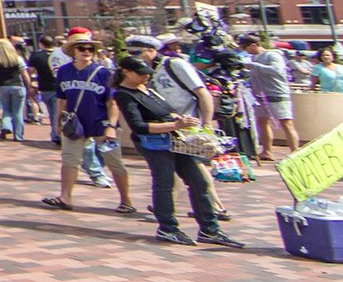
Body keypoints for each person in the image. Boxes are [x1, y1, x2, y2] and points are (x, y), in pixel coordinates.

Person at [111, 54, 243, 248]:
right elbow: (138, 126)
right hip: (154, 143)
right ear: (126, 72)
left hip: (176, 140)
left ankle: (209, 229)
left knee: (198, 182)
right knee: (164, 183)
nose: (145, 77)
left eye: (147, 73)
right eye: (140, 74)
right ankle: (168, 228)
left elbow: (166, 111)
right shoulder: (124, 94)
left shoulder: (147, 90)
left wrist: (184, 123)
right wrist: (174, 124)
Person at [131, 33, 228, 222]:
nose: (133, 56)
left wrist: (206, 125)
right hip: (167, 126)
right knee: (171, 166)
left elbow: (203, 93)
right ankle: (167, 205)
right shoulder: (147, 72)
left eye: (137, 52)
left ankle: (215, 206)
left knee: (195, 167)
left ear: (152, 50)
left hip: (188, 126)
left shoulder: (174, 65)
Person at [42, 32, 133, 212]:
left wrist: (112, 126)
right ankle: (65, 197)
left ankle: (126, 201)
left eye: (90, 48)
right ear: (73, 51)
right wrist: (57, 122)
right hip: (75, 123)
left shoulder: (103, 72)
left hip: (101, 123)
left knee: (114, 162)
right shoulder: (64, 71)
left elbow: (112, 102)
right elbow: (61, 99)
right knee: (69, 159)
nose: (86, 51)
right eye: (82, 48)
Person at [238, 31, 298, 161]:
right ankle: (267, 151)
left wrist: (253, 66)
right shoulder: (254, 58)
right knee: (262, 122)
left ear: (253, 45)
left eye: (244, 47)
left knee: (286, 123)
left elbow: (277, 70)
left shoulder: (272, 55)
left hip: (277, 93)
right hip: (260, 95)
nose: (244, 51)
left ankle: (295, 153)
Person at [0, 37, 29, 141]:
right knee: (17, 112)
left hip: (2, 86)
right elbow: (24, 74)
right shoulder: (17, 58)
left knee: (6, 109)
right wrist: (29, 86)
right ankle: (18, 136)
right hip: (17, 85)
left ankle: (5, 127)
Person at [29, 34, 62, 141]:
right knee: (58, 113)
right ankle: (58, 134)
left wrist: (32, 84)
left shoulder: (36, 56)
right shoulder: (61, 55)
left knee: (52, 112)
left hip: (45, 87)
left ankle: (55, 134)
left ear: (41, 44)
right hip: (60, 86)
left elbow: (32, 72)